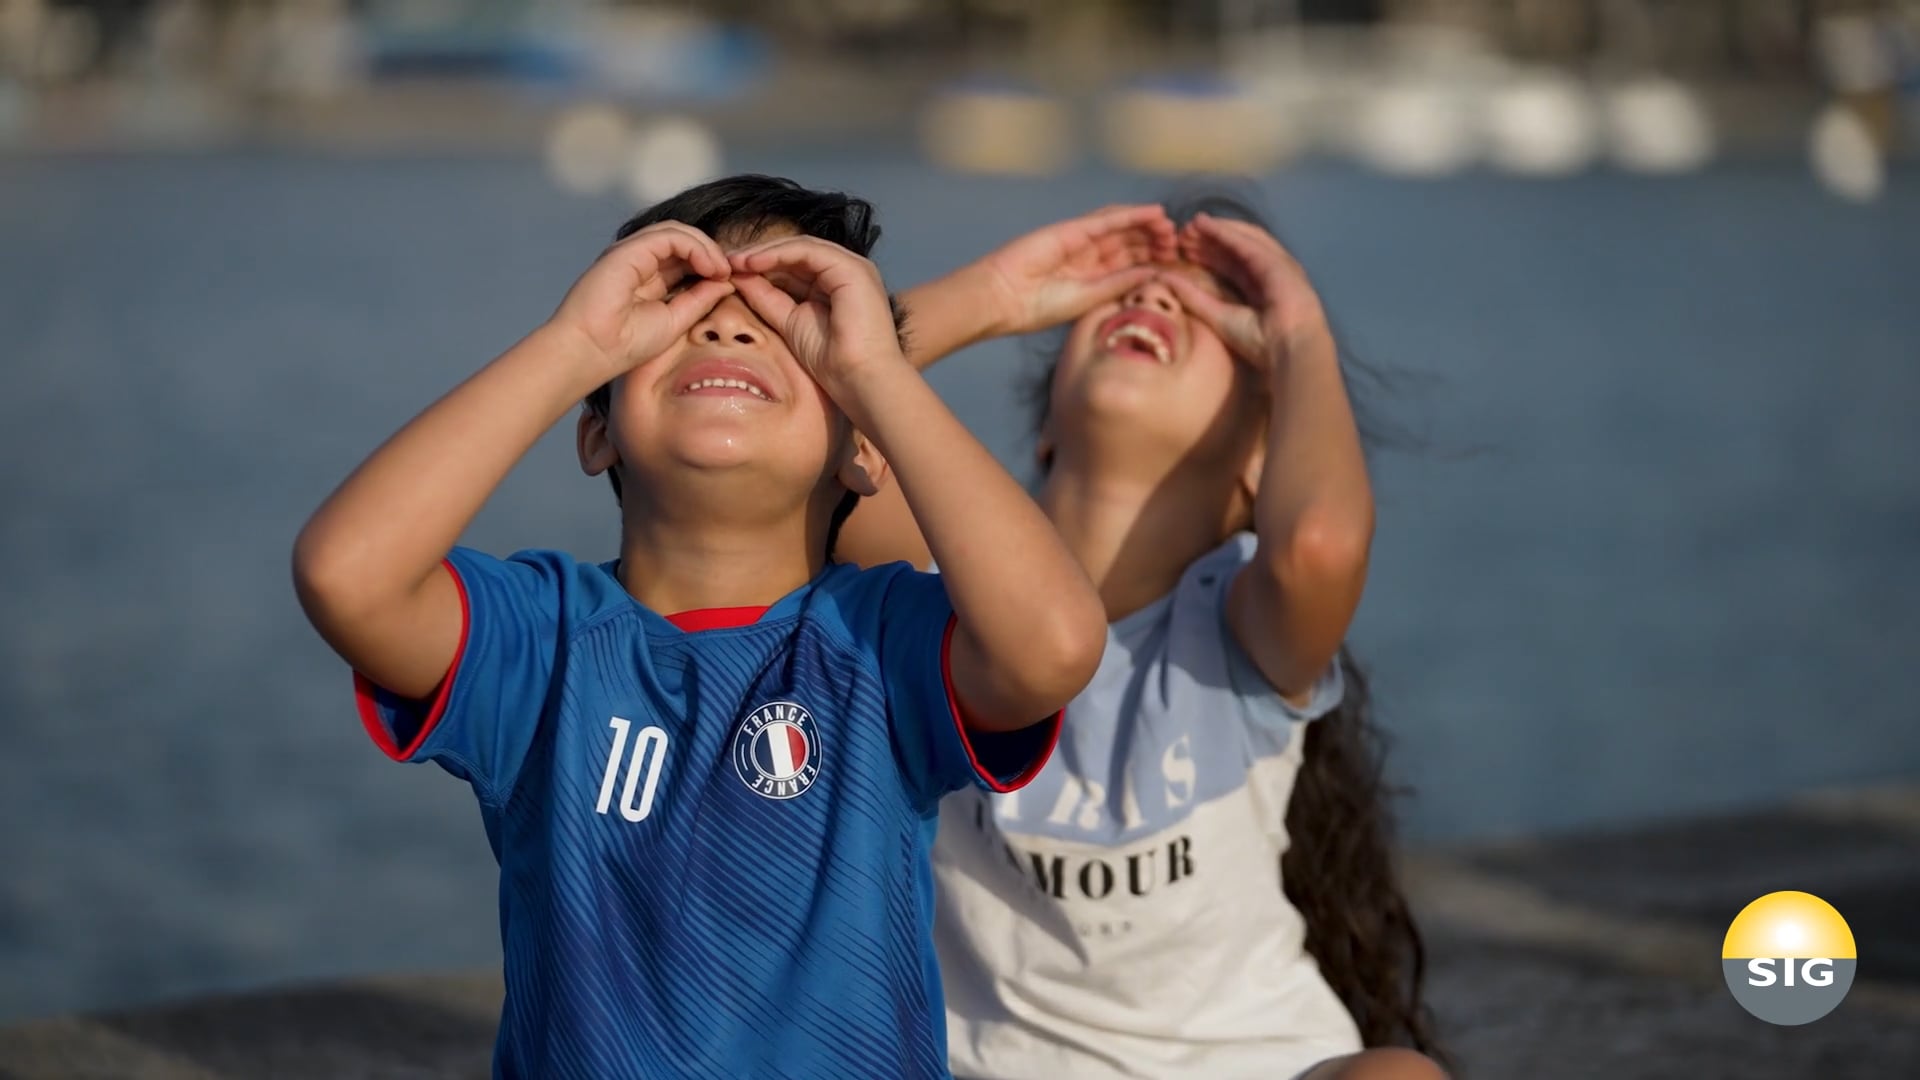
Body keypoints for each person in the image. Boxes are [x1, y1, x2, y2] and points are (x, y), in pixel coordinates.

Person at [290, 175, 1108, 1079]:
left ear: (866, 450)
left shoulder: (879, 642)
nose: (726, 329)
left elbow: (1055, 644)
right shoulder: (541, 642)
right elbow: (348, 575)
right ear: (597, 433)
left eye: (783, 319)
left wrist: (876, 372)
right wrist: (575, 345)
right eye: (681, 308)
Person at [836, 198, 1450, 1080]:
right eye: (1127, 290)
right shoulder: (936, 591)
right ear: (1046, 429)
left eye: (1212, 309)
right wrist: (994, 294)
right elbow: (822, 384)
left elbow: (1320, 543)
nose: (1156, 299)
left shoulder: (1243, 629)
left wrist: (1297, 330)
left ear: (1264, 465)